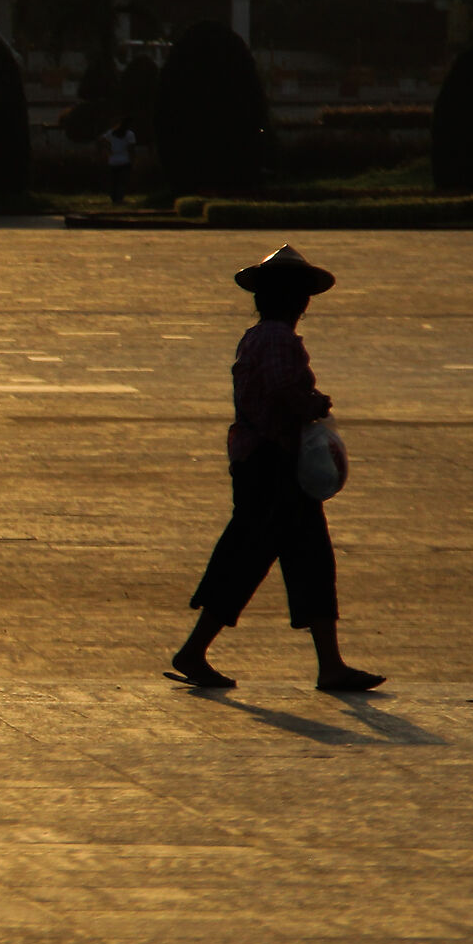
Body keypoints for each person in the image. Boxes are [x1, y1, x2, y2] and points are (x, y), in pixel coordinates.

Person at [170, 245, 384, 693]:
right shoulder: (276, 339)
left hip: (266, 465)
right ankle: (200, 652)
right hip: (272, 467)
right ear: (295, 300)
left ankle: (329, 664)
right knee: (258, 559)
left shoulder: (259, 336)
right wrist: (316, 404)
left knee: (293, 560)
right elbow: (286, 392)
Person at [102, 117, 137, 204]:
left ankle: (114, 198)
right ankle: (119, 199)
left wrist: (108, 150)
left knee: (114, 181)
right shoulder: (129, 134)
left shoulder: (111, 133)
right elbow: (131, 149)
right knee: (122, 182)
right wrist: (133, 161)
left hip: (113, 161)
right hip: (125, 161)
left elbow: (102, 140)